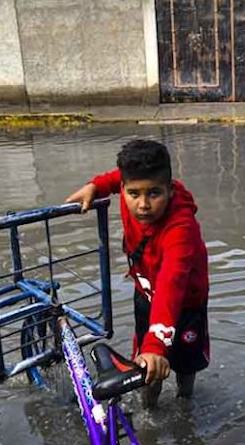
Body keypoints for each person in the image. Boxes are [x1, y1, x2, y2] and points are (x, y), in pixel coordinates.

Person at [65, 139, 210, 408]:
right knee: (146, 365)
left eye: (154, 194)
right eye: (134, 194)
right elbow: (114, 177)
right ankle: (149, 407)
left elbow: (172, 282)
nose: (143, 205)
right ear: (124, 189)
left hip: (185, 301)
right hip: (145, 290)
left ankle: (185, 400)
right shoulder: (127, 186)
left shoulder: (181, 228)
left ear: (169, 189)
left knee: (185, 364)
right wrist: (95, 186)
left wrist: (157, 344)